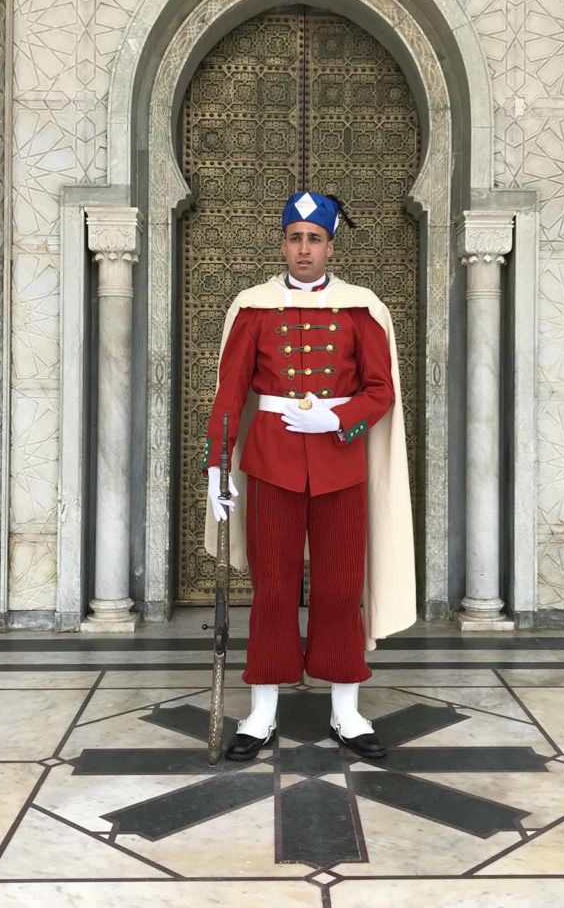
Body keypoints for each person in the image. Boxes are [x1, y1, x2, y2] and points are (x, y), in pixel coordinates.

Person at [203, 191, 416, 761]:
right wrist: (217, 466)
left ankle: (346, 711)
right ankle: (261, 713)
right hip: (270, 464)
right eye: (295, 237)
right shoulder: (252, 307)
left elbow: (381, 390)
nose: (304, 249)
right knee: (271, 590)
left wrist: (337, 417)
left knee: (341, 588)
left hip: (339, 464)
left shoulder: (360, 308)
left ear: (330, 246)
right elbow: (229, 395)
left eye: (314, 238)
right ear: (282, 243)